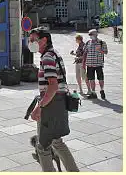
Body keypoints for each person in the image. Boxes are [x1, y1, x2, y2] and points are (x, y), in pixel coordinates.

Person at [28, 28, 79, 172]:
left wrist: (40, 107)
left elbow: (53, 86)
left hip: (51, 103)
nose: (30, 43)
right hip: (59, 102)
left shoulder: (47, 57)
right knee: (57, 142)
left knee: (42, 146)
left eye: (33, 39)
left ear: (43, 40)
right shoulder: (54, 53)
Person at [83, 29, 108, 99]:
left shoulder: (102, 43)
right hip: (90, 64)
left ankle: (102, 90)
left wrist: (100, 50)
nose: (90, 36)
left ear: (96, 34)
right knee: (91, 79)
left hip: (98, 64)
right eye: (89, 34)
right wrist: (83, 63)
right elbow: (85, 52)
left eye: (91, 34)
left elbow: (106, 52)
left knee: (100, 78)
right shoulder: (88, 42)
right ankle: (93, 93)